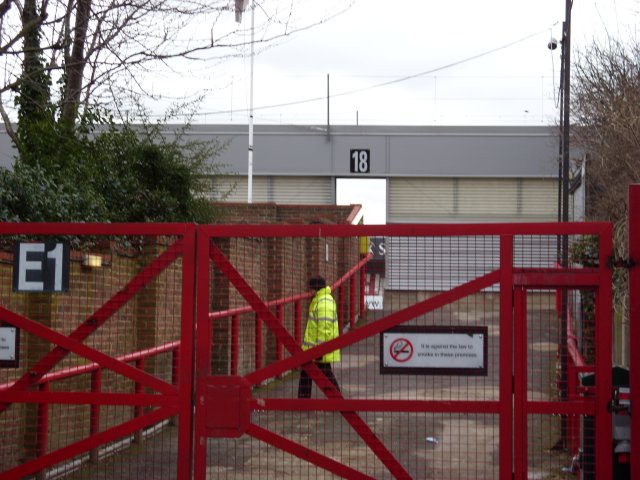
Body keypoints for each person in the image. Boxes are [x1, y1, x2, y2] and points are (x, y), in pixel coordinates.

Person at [297, 276, 341, 398]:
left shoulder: (323, 303)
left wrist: (319, 349)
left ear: (314, 289)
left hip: (318, 350)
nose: (309, 292)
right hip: (316, 349)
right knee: (313, 373)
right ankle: (303, 401)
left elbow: (324, 328)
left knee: (324, 374)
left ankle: (338, 400)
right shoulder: (322, 300)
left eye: (310, 289)